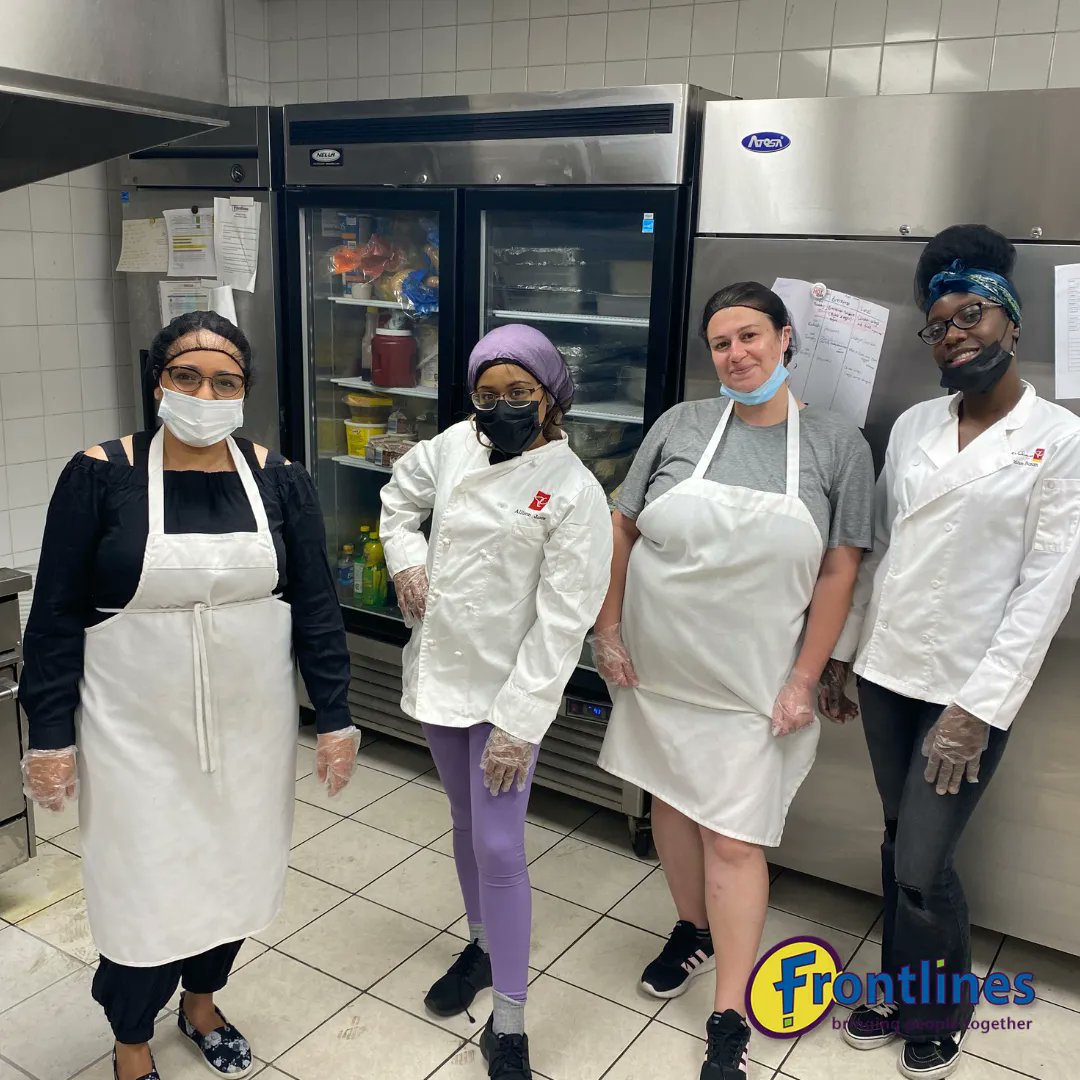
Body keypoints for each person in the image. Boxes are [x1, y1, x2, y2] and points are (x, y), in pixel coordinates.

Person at [19, 311, 359, 1080]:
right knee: (144, 888)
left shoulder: (280, 477)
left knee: (237, 875)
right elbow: (55, 616)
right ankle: (131, 1038)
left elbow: (316, 607)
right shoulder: (101, 473)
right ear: (158, 382)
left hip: (252, 725)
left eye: (225, 381)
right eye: (187, 375)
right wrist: (48, 736)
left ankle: (202, 1002)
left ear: (245, 393)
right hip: (134, 731)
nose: (206, 392)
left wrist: (335, 717)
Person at [593, 283, 875, 1080]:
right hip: (659, 668)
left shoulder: (835, 443)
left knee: (733, 837)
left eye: (750, 336)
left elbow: (839, 568)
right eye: (721, 343)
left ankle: (730, 1013)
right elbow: (623, 524)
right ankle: (692, 930)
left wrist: (804, 678)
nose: (736, 354)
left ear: (785, 340)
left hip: (753, 687)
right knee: (672, 803)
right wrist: (606, 627)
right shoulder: (680, 425)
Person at [824, 225, 1080, 1079]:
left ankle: (938, 1004)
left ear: (1010, 323)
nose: (954, 333)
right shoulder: (914, 427)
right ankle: (905, 989)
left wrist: (978, 708)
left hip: (972, 686)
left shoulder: (1060, 438)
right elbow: (884, 549)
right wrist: (843, 653)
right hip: (891, 670)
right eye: (937, 325)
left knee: (926, 862)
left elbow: (1046, 585)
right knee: (899, 842)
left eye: (971, 314)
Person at [379, 324, 612, 1080]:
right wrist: (407, 563)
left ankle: (509, 1019)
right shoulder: (452, 446)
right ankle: (480, 945)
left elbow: (563, 619)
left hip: (513, 692)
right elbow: (396, 498)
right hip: (443, 672)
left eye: (519, 394)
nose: (502, 406)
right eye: (488, 394)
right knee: (462, 821)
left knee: (503, 846)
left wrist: (518, 725)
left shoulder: (574, 489)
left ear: (550, 396)